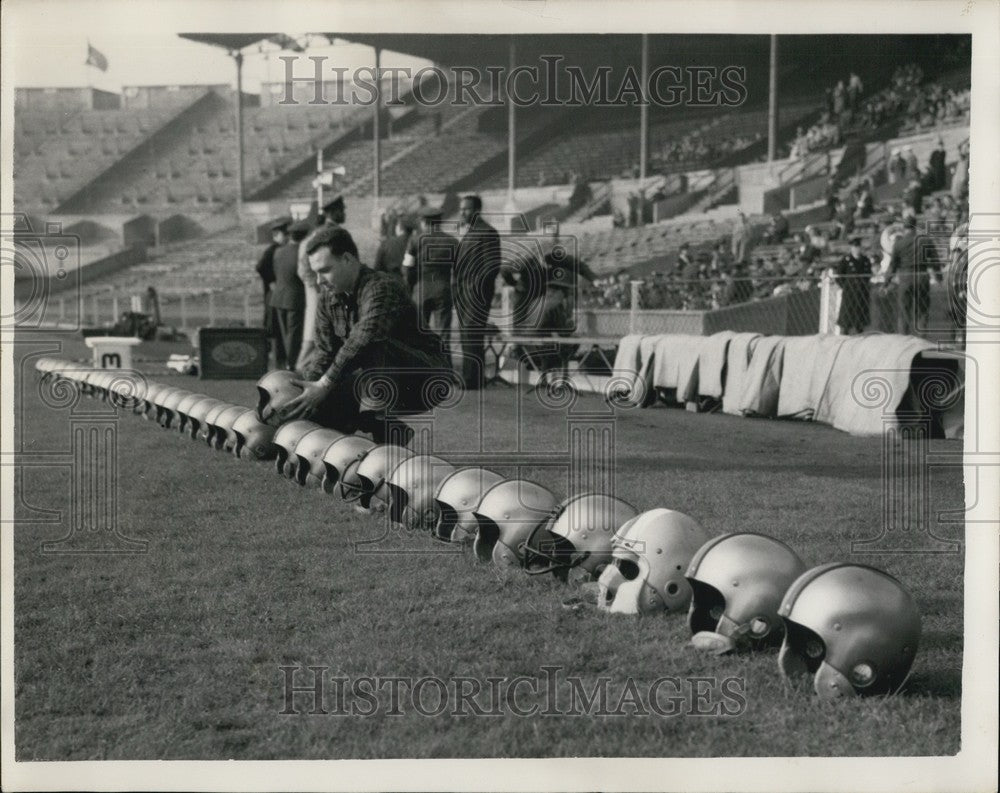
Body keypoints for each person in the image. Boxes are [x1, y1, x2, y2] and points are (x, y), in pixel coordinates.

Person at [279, 227, 453, 444]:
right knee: (323, 407)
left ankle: (381, 426)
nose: (319, 280)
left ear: (347, 259)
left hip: (426, 378)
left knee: (370, 343)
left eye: (324, 270)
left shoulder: (382, 287)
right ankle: (374, 430)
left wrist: (323, 385)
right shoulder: (328, 296)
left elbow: (364, 337)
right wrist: (304, 394)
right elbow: (324, 351)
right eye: (315, 272)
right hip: (378, 376)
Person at [454, 195, 502, 390]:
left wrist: (475, 288)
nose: (462, 212)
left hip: (476, 294)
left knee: (472, 334)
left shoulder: (488, 232)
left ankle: (472, 379)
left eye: (466, 209)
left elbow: (492, 266)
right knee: (466, 335)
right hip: (463, 293)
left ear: (476, 211)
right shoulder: (470, 232)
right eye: (461, 209)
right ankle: (473, 378)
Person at [296, 195, 346, 371]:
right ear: (332, 211)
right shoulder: (328, 234)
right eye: (342, 209)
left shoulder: (323, 233)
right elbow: (304, 267)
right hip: (324, 294)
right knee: (315, 337)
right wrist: (319, 286)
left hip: (328, 293)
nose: (344, 212)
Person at [404, 205, 458, 345]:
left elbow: (407, 268)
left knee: (419, 336)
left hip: (421, 291)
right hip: (443, 289)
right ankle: (444, 365)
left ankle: (421, 365)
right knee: (443, 335)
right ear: (439, 221)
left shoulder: (415, 240)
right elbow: (459, 270)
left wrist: (409, 289)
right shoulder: (452, 241)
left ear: (423, 222)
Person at [269, 218, 309, 370]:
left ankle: (285, 362)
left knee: (286, 333)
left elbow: (277, 272)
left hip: (279, 297)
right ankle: (290, 365)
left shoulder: (278, 251)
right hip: (295, 298)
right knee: (293, 334)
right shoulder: (302, 252)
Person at [256, 217, 289, 367]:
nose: (287, 237)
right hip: (273, 297)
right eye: (284, 234)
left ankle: (280, 362)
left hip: (278, 295)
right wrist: (271, 282)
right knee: (275, 329)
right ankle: (277, 363)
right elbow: (261, 267)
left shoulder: (281, 250)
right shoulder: (273, 250)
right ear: (276, 235)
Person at [835, 237, 872, 334]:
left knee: (860, 314)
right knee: (847, 314)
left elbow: (868, 274)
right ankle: (845, 332)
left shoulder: (865, 260)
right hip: (850, 292)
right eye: (855, 247)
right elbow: (839, 276)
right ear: (851, 248)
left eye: (858, 246)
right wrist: (846, 286)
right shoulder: (846, 260)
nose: (857, 249)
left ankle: (860, 331)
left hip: (862, 291)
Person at [373, 214, 414, 283]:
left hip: (392, 284)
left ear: (399, 228)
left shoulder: (387, 244)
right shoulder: (418, 243)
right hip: (413, 285)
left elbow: (377, 269)